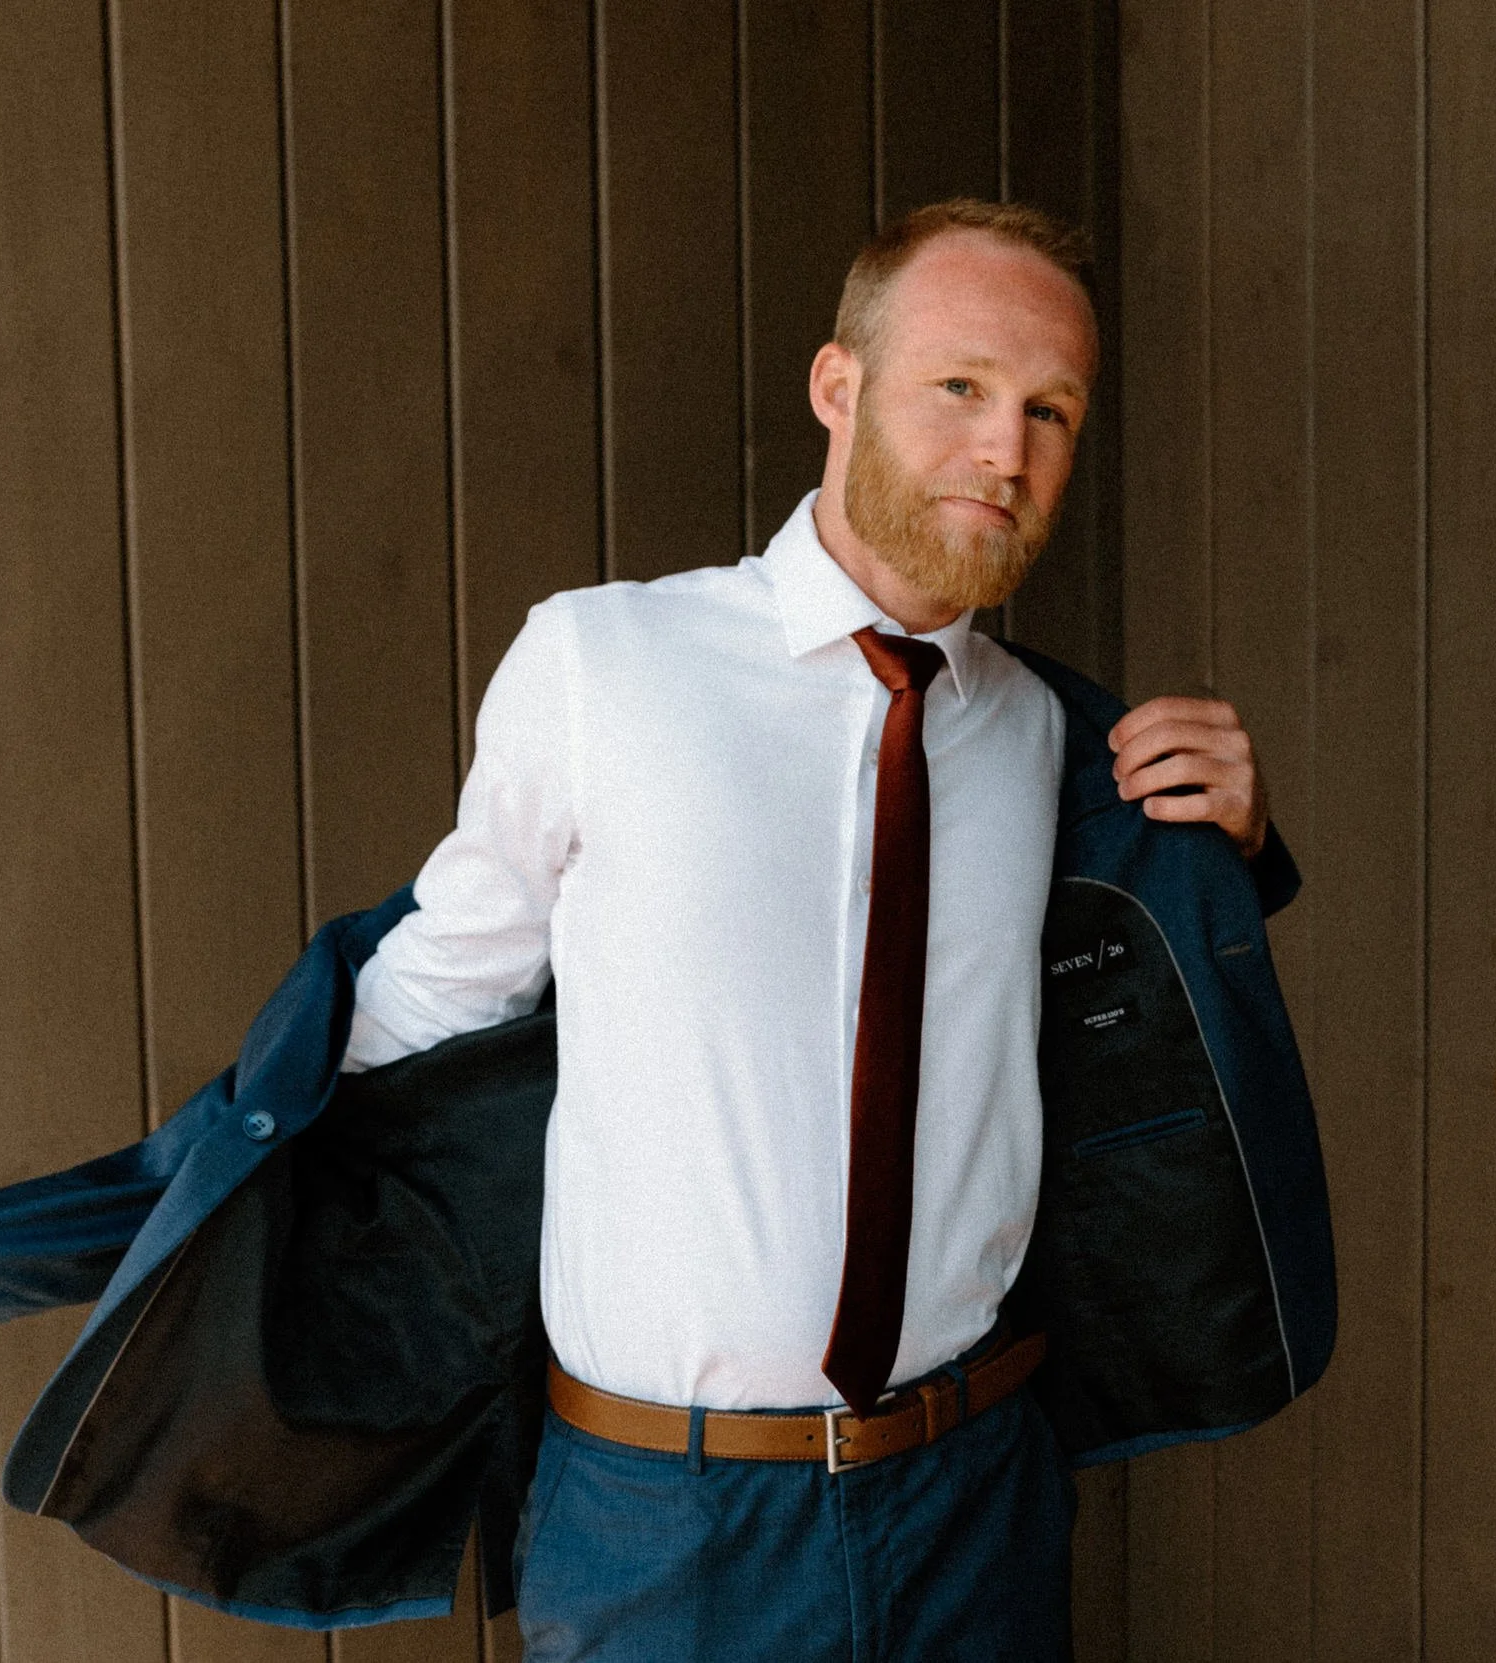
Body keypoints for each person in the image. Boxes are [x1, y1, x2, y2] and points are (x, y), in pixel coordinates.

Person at [338, 197, 1275, 1663]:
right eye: (959, 386)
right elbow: (436, 996)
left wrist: (1235, 847)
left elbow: (1139, 1022)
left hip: (974, 1498)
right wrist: (234, 1210)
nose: (1006, 450)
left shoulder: (1051, 741)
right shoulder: (604, 664)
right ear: (839, 386)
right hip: (669, 1524)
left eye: (1051, 411)